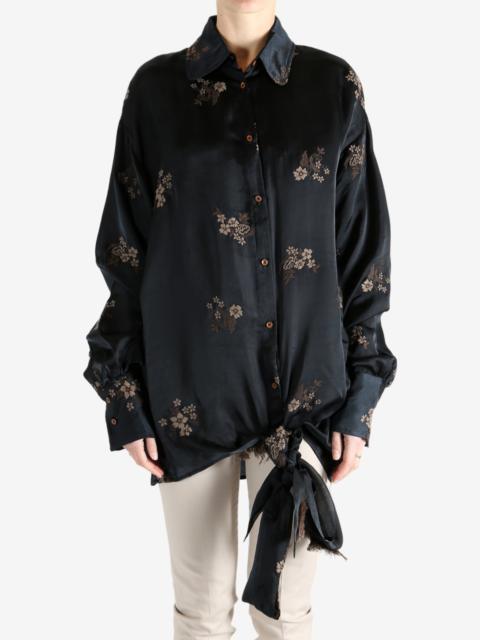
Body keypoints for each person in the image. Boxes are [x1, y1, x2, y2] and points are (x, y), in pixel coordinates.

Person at [83, 1, 397, 638]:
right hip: (187, 398)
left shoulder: (333, 87)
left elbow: (363, 255)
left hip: (305, 402)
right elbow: (125, 253)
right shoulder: (155, 91)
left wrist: (362, 397)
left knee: (285, 613)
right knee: (200, 613)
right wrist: (124, 395)